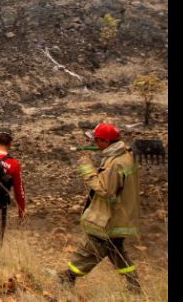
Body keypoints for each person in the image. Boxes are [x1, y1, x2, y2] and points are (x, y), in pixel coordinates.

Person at [57, 123, 141, 293]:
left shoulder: (116, 163)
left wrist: (86, 168)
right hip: (121, 216)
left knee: (90, 248)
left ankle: (68, 277)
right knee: (115, 250)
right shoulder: (124, 155)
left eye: (96, 140)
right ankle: (134, 285)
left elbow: (106, 191)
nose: (94, 143)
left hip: (110, 218)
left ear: (106, 141)